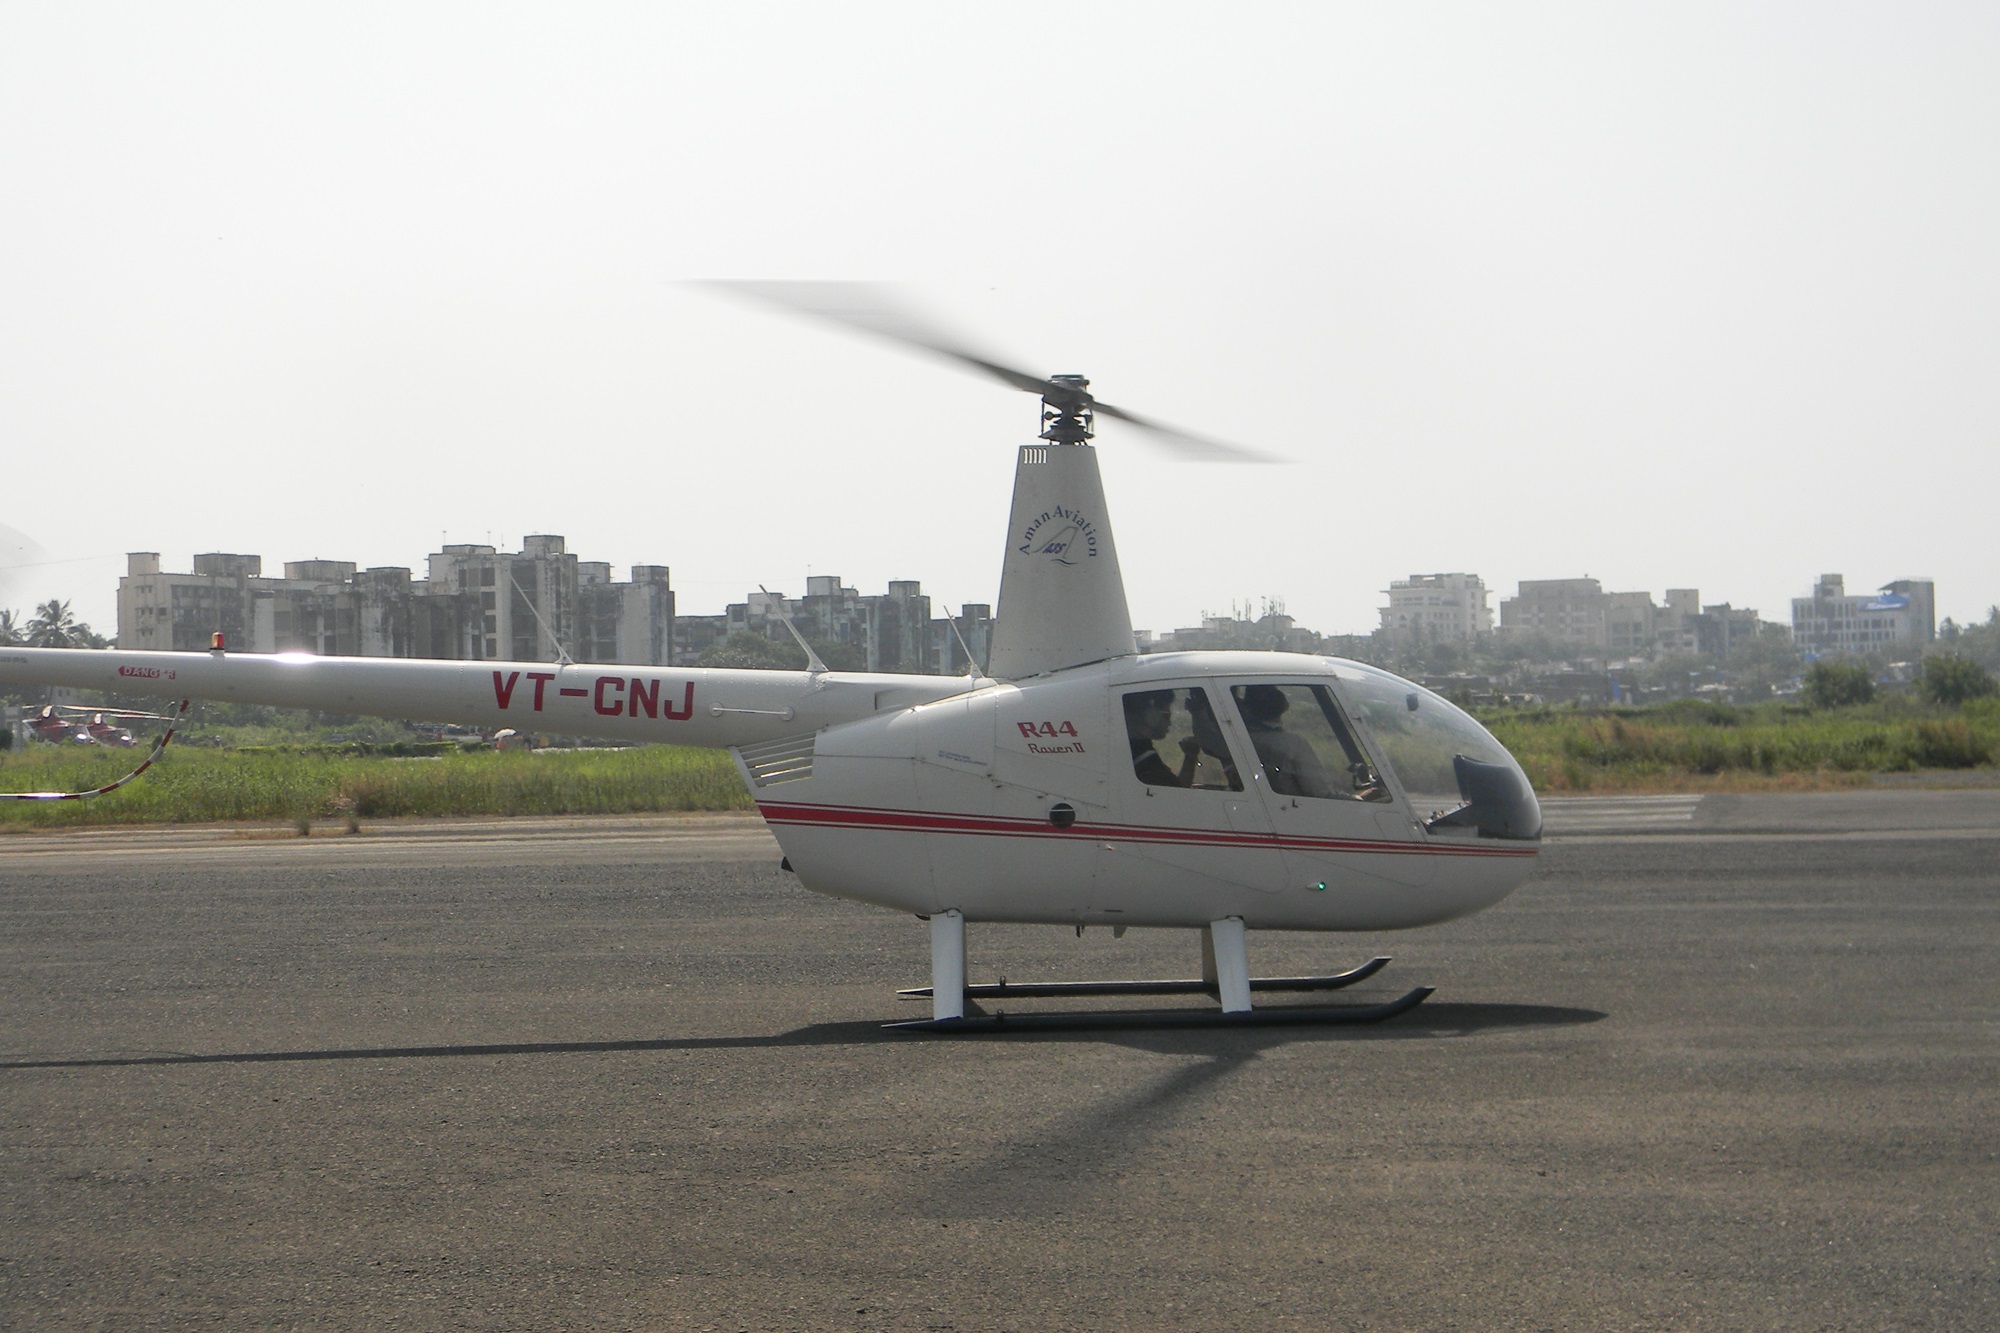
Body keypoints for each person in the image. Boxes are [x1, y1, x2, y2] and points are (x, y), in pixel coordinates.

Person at [1235, 684, 1340, 798]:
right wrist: (1356, 799)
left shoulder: (1239, 740)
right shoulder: (1294, 744)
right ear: (1282, 707)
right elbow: (1319, 792)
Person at [1123, 690, 1185, 787]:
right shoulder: (1147, 762)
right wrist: (1191, 756)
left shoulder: (1131, 751)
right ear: (1150, 716)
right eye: (1167, 716)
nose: (1169, 723)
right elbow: (1179, 791)